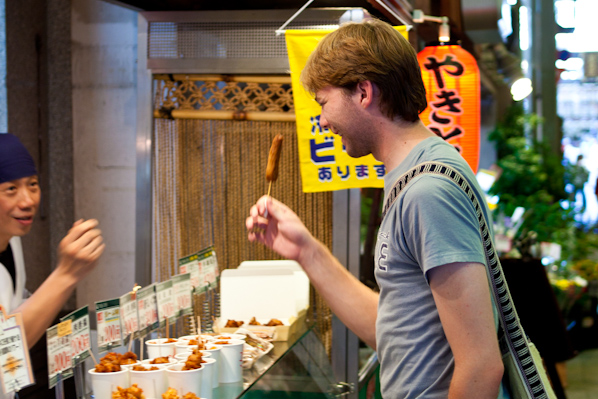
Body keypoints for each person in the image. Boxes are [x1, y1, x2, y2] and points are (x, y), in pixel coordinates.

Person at [246, 19, 506, 399]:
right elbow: (396, 329)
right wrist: (306, 250)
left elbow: (481, 365)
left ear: (364, 92)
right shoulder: (412, 175)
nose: (323, 120)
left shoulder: (428, 191)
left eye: (323, 102)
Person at [0, 133, 104, 349]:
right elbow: (6, 349)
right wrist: (66, 273)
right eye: (11, 189)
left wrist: (72, 272)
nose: (28, 201)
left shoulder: (12, 240)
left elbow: (13, 312)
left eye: (33, 184)